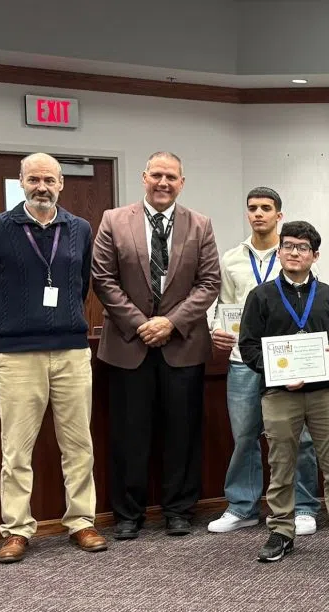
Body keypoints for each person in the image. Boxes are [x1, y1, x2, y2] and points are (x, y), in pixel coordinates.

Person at [0, 152, 107, 563]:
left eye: (49, 180)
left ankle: (81, 522)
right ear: (21, 182)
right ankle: (16, 530)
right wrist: (17, 323)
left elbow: (82, 281)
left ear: (61, 183)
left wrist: (60, 320)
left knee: (78, 443)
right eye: (34, 180)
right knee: (16, 448)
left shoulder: (79, 228)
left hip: (70, 351)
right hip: (17, 355)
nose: (42, 187)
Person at [91, 151, 221, 540]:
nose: (163, 183)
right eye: (157, 175)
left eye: (171, 177)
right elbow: (103, 278)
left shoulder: (200, 225)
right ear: (143, 177)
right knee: (129, 432)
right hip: (129, 346)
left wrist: (171, 322)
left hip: (182, 344)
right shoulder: (114, 221)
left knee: (182, 431)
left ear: (182, 182)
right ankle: (128, 514)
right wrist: (140, 323)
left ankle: (179, 510)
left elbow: (209, 282)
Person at [238, 221, 329, 562]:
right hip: (280, 394)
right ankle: (281, 530)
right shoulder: (261, 296)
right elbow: (248, 347)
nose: (294, 252)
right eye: (289, 246)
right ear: (279, 252)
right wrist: (278, 373)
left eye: (303, 247)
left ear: (315, 255)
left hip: (325, 393)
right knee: (281, 464)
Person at [208, 187, 321, 536]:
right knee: (245, 435)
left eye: (266, 208)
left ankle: (302, 507)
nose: (259, 214)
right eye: (253, 208)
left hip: (289, 361)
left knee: (298, 436)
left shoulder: (294, 253)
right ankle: (243, 507)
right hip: (244, 359)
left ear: (278, 215)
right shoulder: (231, 259)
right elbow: (223, 305)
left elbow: (312, 299)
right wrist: (216, 328)